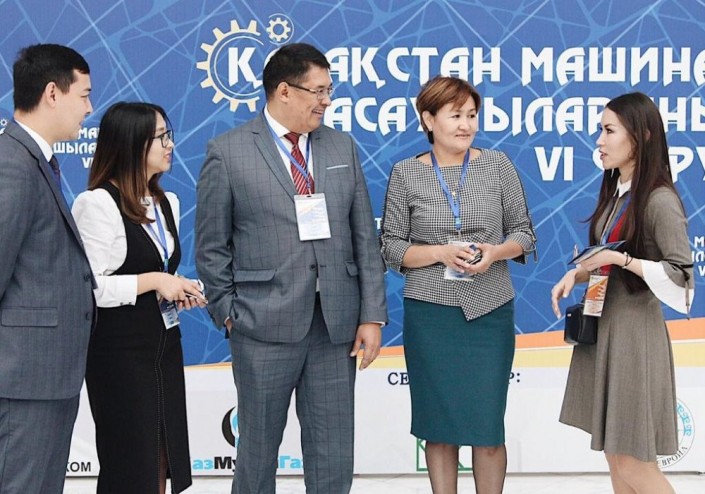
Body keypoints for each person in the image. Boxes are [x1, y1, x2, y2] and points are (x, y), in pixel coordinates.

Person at [195, 42, 387, 494]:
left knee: (333, 455)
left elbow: (364, 236)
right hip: (261, 325)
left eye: (329, 90)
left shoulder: (342, 146)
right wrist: (229, 313)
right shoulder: (228, 152)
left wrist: (371, 315)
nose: (326, 100)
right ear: (284, 90)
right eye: (317, 91)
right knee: (257, 454)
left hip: (335, 326)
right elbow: (211, 247)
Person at [380, 75, 536, 494]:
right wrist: (439, 252)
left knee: (488, 429)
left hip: (489, 311)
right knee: (439, 428)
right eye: (455, 116)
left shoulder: (498, 165)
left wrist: (496, 252)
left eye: (471, 115)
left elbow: (524, 234)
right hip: (431, 315)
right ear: (428, 120)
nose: (466, 125)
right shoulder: (406, 173)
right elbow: (391, 246)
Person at [550, 92, 693, 494]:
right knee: (617, 459)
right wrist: (579, 274)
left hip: (633, 338)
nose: (599, 140)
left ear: (642, 136)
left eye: (609, 130)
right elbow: (609, 258)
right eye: (601, 130)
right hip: (607, 329)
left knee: (632, 462)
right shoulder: (618, 193)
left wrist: (622, 259)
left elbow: (682, 280)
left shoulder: (659, 200)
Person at [72, 102, 206, 493]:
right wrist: (153, 281)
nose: (170, 145)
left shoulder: (167, 202)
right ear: (132, 144)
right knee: (131, 460)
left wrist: (178, 286)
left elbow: (160, 267)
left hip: (164, 346)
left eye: (168, 135)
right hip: (119, 355)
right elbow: (91, 287)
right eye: (161, 137)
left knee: (163, 454)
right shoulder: (97, 204)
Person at [0, 44, 95, 494]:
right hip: (23, 380)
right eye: (84, 95)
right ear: (53, 93)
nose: (90, 109)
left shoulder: (33, 161)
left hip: (46, 379)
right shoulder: (12, 165)